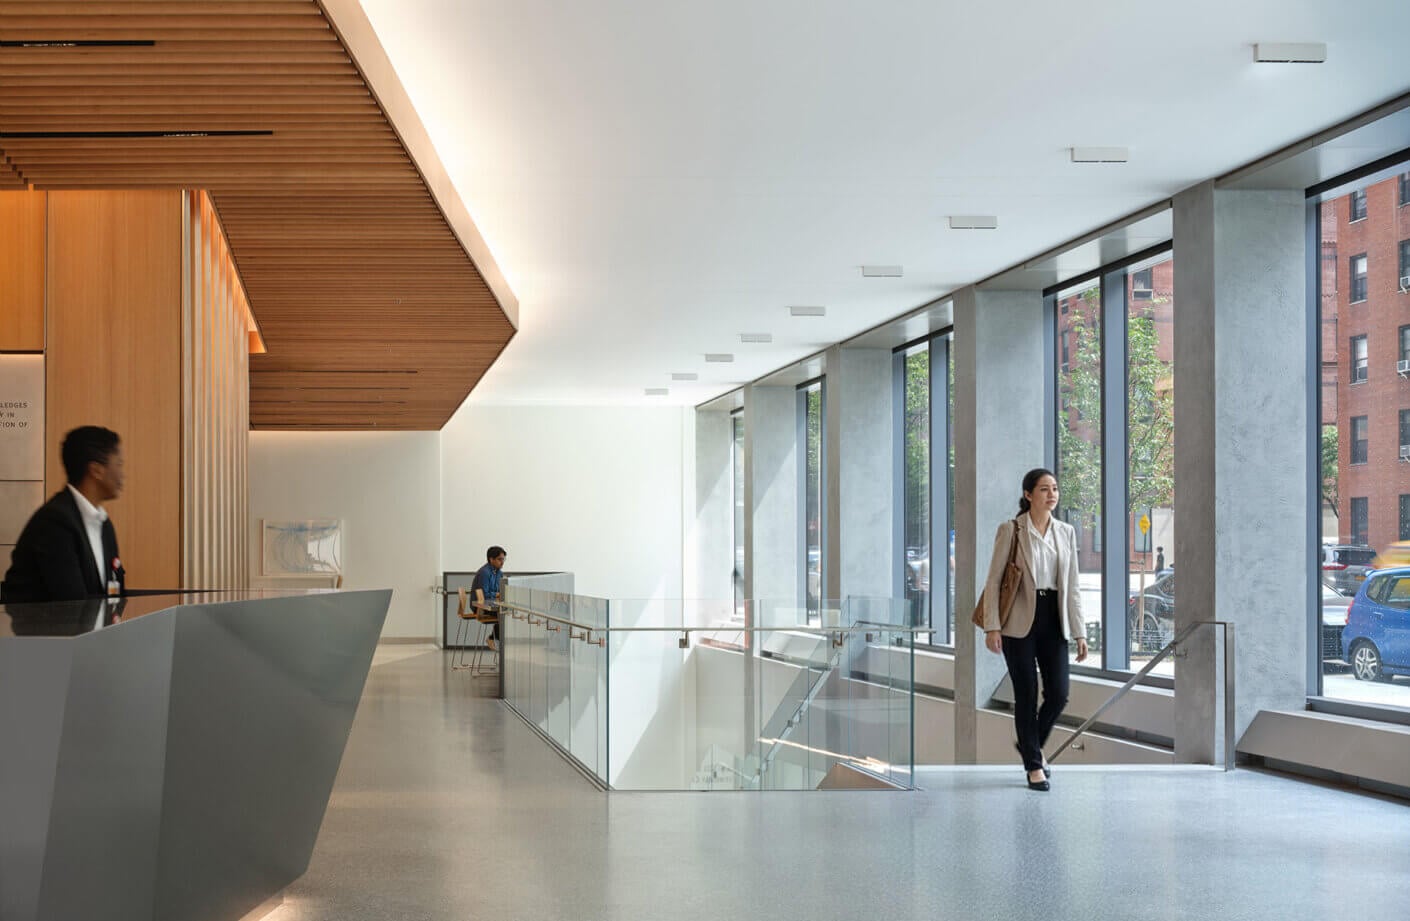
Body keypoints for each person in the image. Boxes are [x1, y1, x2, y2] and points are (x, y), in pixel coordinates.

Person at [980, 468, 1086, 792]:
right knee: (1025, 693)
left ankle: (1031, 745)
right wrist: (991, 626)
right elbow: (995, 581)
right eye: (1044, 489)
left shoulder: (1066, 532)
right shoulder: (1011, 530)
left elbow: (1073, 585)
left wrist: (1080, 632)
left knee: (1059, 694)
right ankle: (1033, 767)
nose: (1051, 494)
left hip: (1054, 618)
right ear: (1028, 495)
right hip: (1018, 620)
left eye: (1054, 488)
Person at [1, 426, 126, 604]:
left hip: (87, 631)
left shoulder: (104, 524)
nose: (123, 475)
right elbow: (72, 604)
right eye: (119, 464)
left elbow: (113, 594)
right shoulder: (54, 522)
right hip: (41, 630)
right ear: (96, 470)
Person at [471, 545, 506, 650]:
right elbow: (485, 594)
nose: (502, 562)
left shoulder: (499, 573)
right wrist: (497, 595)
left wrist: (499, 594)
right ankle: (493, 639)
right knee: (503, 614)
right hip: (480, 607)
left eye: (503, 559)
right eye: (500, 559)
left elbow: (499, 591)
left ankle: (494, 639)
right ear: (491, 559)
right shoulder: (484, 573)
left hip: (491, 604)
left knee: (505, 613)